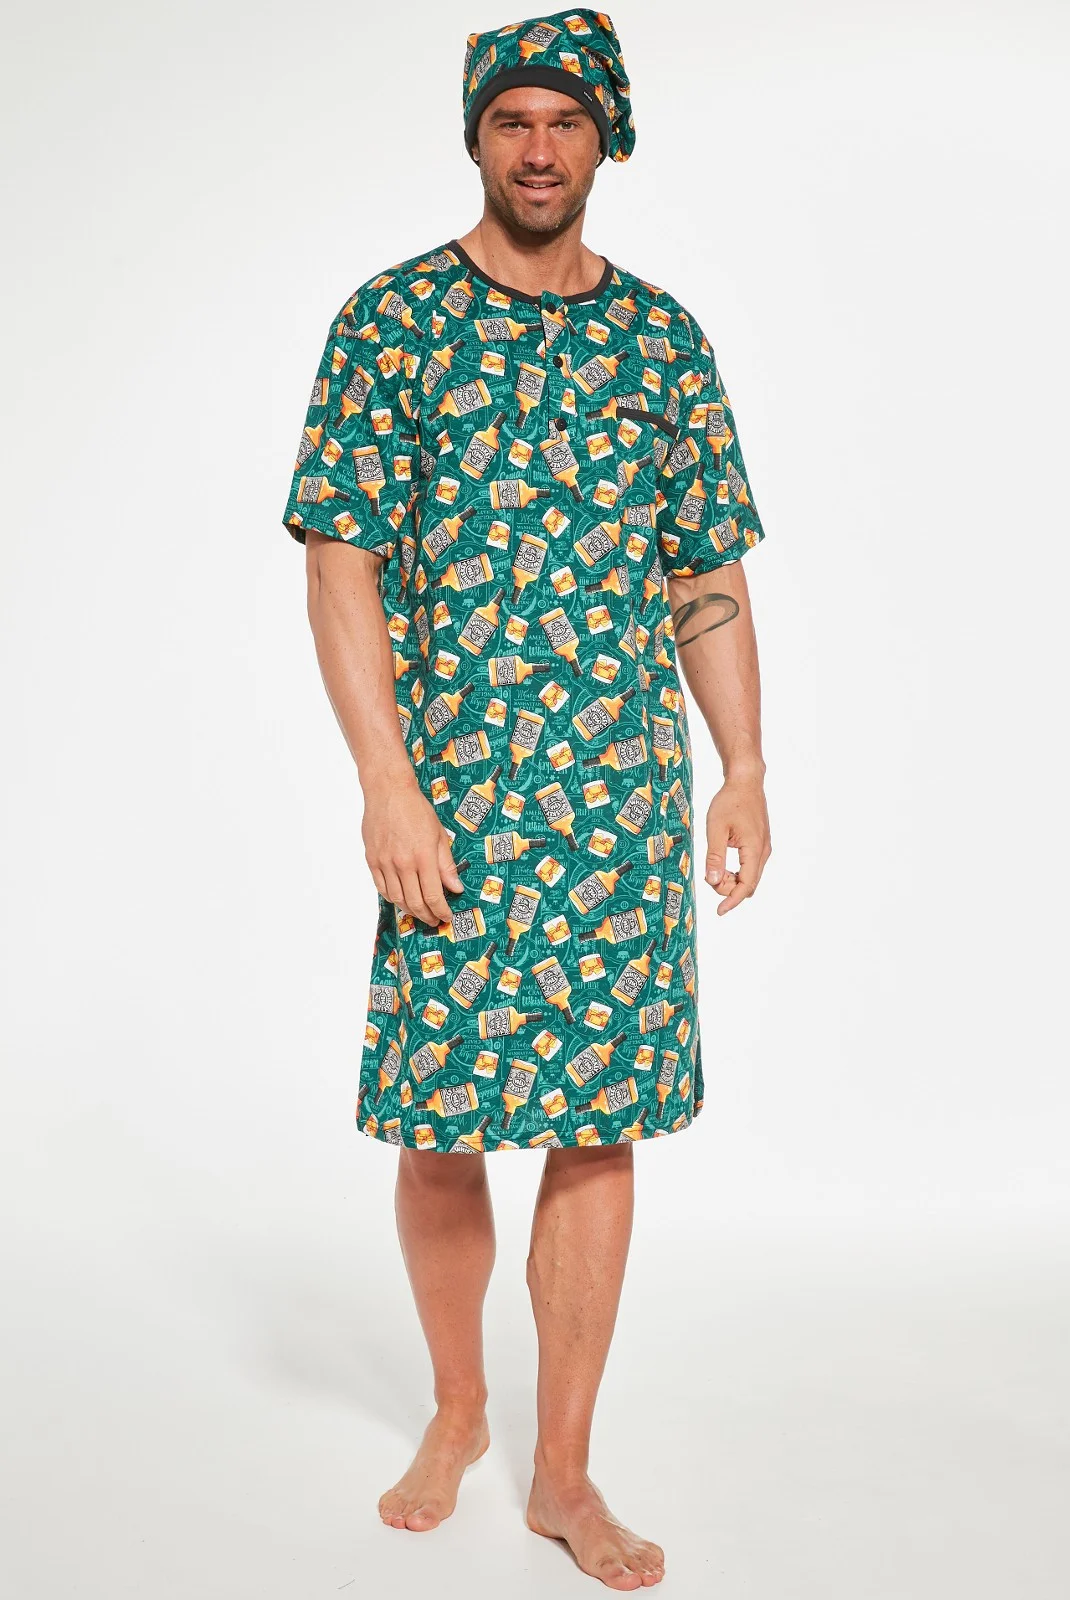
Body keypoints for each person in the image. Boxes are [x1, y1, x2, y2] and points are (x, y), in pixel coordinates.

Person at [279, 8, 771, 1589]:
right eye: (513, 121)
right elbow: (340, 560)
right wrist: (385, 783)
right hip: (451, 805)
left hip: (618, 810)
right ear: (476, 138)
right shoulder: (392, 324)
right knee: (441, 1130)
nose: (538, 148)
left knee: (598, 1129)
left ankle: (563, 1473)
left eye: (565, 121)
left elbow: (703, 573)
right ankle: (457, 1408)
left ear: (604, 139)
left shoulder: (661, 344)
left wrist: (743, 765)